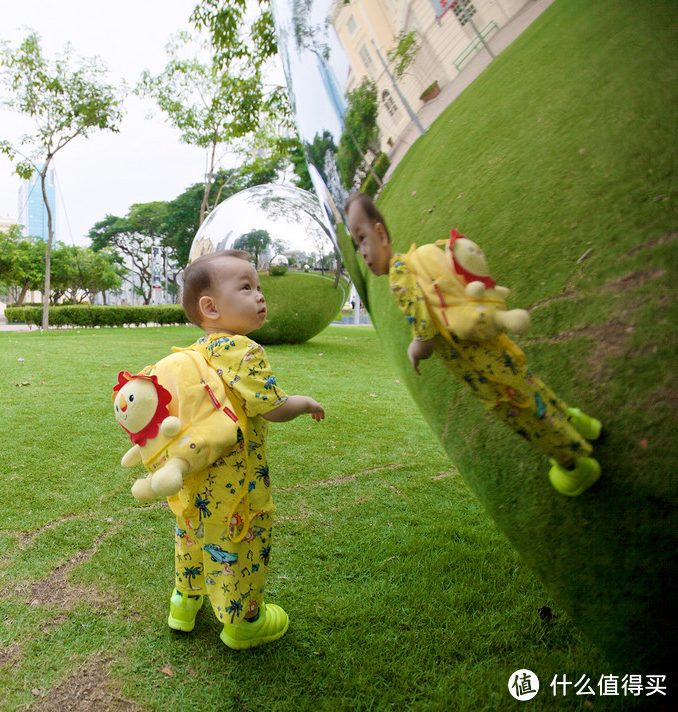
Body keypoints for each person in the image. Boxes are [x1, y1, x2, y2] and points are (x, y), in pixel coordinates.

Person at [343, 192, 602, 496]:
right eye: (356, 244)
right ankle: (578, 423)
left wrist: (415, 351)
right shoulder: (414, 260)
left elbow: (424, 331)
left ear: (381, 234)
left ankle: (575, 465)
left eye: (362, 239)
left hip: (480, 368)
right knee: (529, 386)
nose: (362, 252)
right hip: (491, 346)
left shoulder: (398, 278)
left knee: (522, 413)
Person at [168, 249, 325, 650]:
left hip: (195, 474)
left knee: (193, 532)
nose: (259, 295)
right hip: (238, 483)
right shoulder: (245, 352)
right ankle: (243, 623)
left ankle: (184, 605)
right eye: (245, 287)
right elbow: (272, 410)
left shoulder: (193, 352)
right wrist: (304, 402)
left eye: (259, 287)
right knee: (241, 542)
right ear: (211, 306)